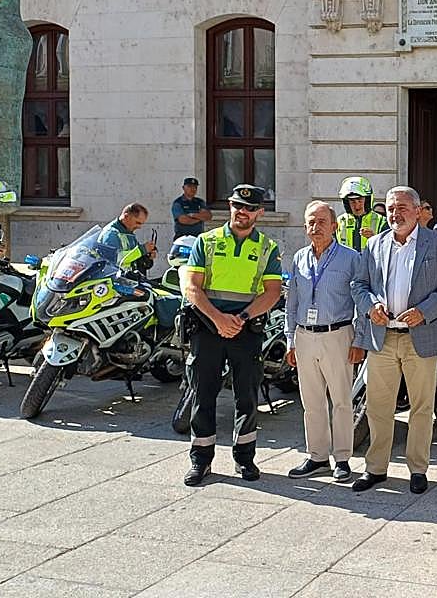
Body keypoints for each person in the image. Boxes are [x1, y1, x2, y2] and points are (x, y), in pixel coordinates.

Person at [351, 186, 437, 495]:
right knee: (377, 406)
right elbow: (359, 284)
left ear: (416, 210)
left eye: (401, 208)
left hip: (421, 337)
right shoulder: (374, 244)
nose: (395, 214)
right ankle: (376, 468)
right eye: (389, 208)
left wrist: (425, 312)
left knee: (421, 407)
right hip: (383, 337)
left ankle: (417, 469)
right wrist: (371, 305)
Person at [181, 184, 284, 486]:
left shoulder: (267, 247)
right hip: (208, 328)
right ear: (229, 206)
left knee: (247, 398)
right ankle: (201, 461)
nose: (243, 212)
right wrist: (218, 319)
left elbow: (272, 292)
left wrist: (239, 318)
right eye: (238, 206)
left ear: (260, 213)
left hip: (245, 329)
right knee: (203, 395)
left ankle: (244, 458)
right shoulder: (207, 241)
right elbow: (191, 287)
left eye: (250, 208)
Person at [285, 201, 365, 483]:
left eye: (321, 221)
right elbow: (292, 300)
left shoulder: (351, 258)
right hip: (305, 336)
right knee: (311, 401)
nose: (315, 227)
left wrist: (360, 339)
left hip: (338, 335)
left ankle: (342, 458)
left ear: (335, 226)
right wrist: (289, 339)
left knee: (342, 400)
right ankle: (317, 456)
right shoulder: (299, 258)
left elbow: (361, 301)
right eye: (310, 222)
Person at [98, 203, 157, 274]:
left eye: (141, 224)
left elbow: (133, 258)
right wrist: (142, 250)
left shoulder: (128, 233)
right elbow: (113, 258)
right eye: (137, 223)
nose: (139, 227)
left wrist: (147, 257)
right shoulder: (111, 234)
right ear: (126, 216)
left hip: (127, 280)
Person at [336, 176, 387, 252]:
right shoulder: (339, 222)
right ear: (347, 203)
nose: (356, 206)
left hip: (371, 263)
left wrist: (374, 239)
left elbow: (388, 250)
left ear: (367, 201)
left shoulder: (382, 221)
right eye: (352, 201)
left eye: (360, 200)